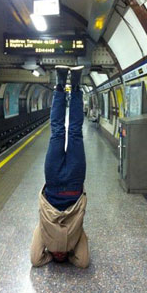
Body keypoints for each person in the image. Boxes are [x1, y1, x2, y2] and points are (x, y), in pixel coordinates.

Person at [30, 66, 89, 268]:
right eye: (63, 256)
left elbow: (36, 259)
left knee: (56, 132)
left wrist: (48, 251)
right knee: (74, 132)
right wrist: (71, 253)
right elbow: (83, 262)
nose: (60, 255)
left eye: (56, 256)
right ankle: (77, 85)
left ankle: (60, 84)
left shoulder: (45, 235)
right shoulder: (74, 239)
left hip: (53, 181)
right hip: (75, 180)